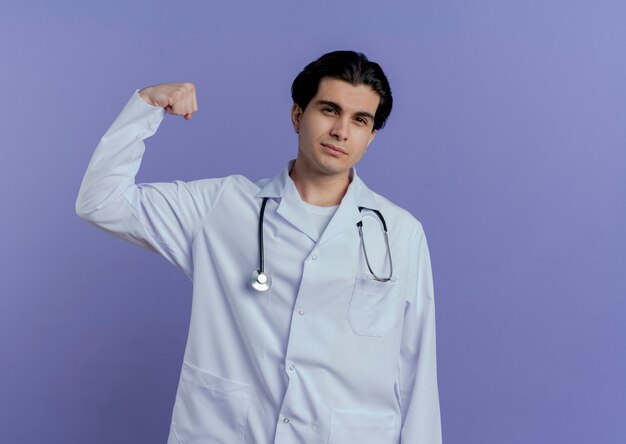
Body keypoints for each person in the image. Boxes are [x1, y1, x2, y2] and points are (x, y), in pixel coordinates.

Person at [75, 50, 441, 443]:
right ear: (298, 115)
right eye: (329, 110)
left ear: (371, 136)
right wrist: (146, 106)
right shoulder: (221, 208)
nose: (341, 131)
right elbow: (100, 202)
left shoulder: (399, 233)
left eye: (360, 120)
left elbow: (417, 371)